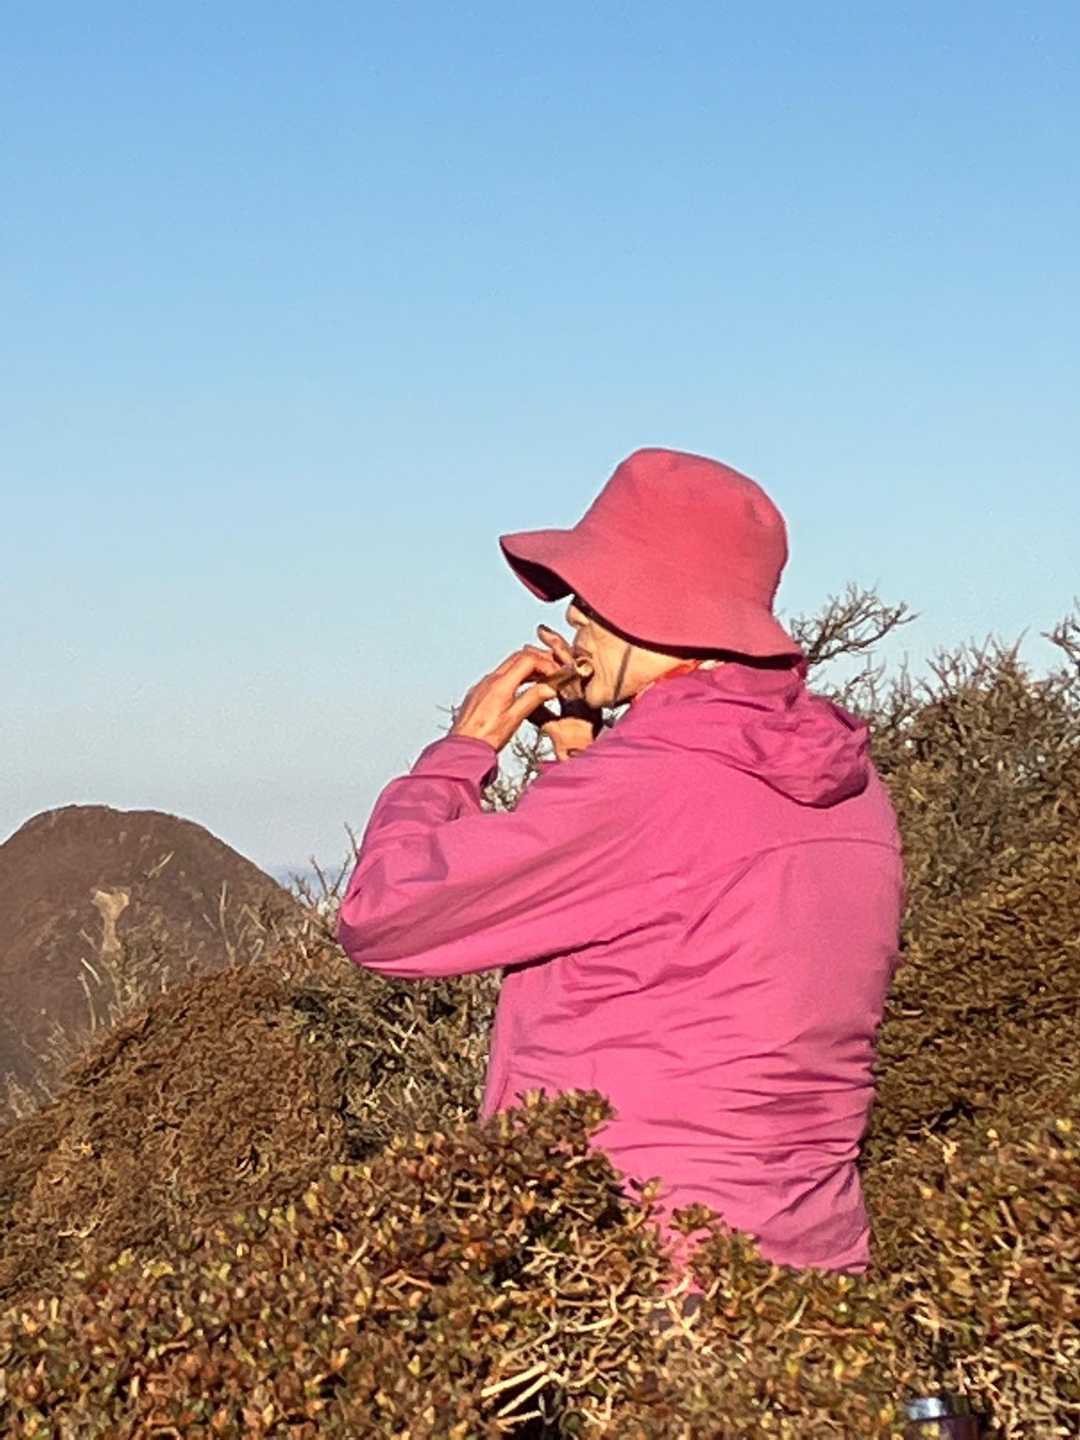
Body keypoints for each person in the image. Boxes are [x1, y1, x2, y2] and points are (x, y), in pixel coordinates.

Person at [337, 447, 903, 1311]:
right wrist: (585, 756)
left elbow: (384, 915)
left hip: (635, 1279)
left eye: (595, 594)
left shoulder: (652, 786)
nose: (573, 617)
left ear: (660, 604)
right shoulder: (848, 781)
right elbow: (681, 925)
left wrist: (462, 750)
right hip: (808, 1274)